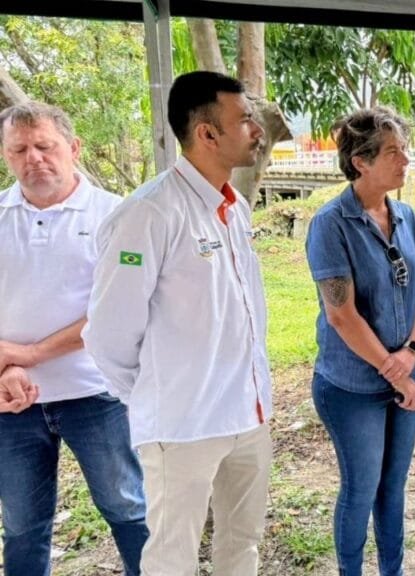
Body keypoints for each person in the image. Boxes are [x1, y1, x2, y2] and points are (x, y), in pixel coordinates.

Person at [83, 71, 272, 575]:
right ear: (207, 134)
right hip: (184, 425)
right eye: (245, 119)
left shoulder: (234, 210)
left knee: (243, 543)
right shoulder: (149, 213)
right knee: (172, 556)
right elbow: (107, 335)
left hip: (248, 414)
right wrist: (158, 394)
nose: (256, 129)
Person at [0, 102, 148, 575]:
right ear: (6, 156)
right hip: (12, 402)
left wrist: (31, 353)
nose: (33, 158)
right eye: (19, 149)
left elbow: (118, 308)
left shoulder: (115, 215)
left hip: (96, 392)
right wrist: (9, 366)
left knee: (128, 508)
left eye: (45, 146)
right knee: (22, 524)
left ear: (74, 148)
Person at [305, 107, 415, 576]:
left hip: (407, 372)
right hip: (352, 385)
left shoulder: (407, 216)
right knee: (361, 488)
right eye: (394, 152)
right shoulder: (331, 224)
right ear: (360, 161)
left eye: (405, 149)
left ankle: (392, 570)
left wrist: (411, 353)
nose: (406, 160)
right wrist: (395, 371)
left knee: (392, 487)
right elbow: (342, 315)